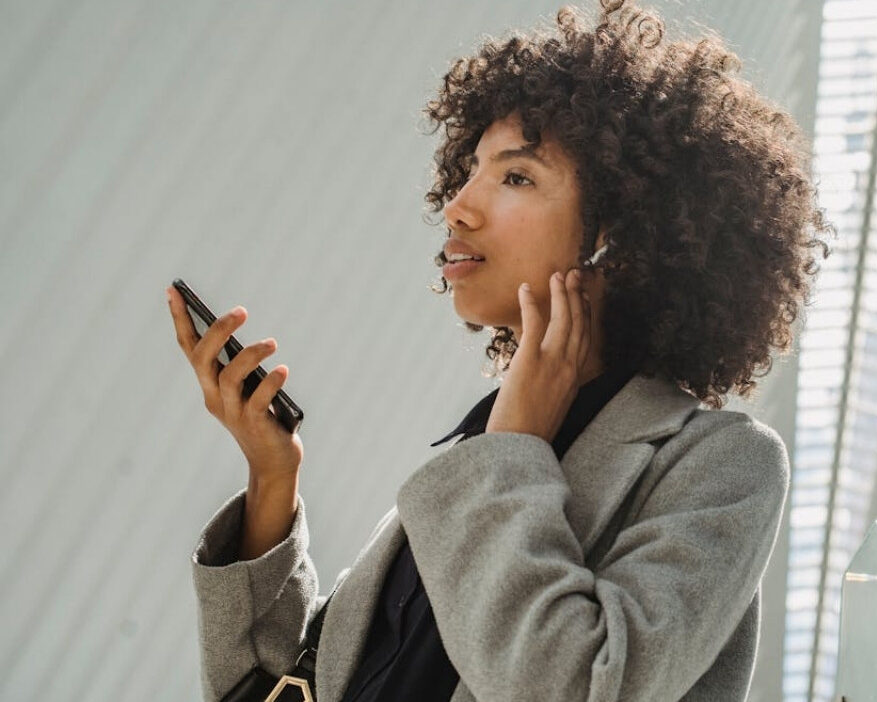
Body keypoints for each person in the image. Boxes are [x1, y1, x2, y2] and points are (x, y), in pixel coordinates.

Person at [166, 0, 831, 700]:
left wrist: (511, 450)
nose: (459, 205)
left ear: (627, 241)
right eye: (470, 170)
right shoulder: (475, 462)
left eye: (517, 176)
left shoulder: (720, 464)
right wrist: (273, 483)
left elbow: (572, 687)